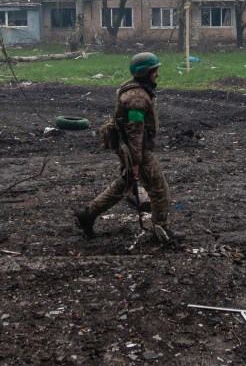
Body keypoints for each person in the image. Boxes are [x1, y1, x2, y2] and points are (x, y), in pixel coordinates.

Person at [75, 52, 183, 244]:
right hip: (137, 150)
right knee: (159, 189)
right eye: (154, 70)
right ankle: (162, 228)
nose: (157, 74)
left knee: (123, 185)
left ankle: (88, 214)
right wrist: (135, 162)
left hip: (131, 149)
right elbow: (135, 133)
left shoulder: (136, 89)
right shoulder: (137, 97)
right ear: (146, 72)